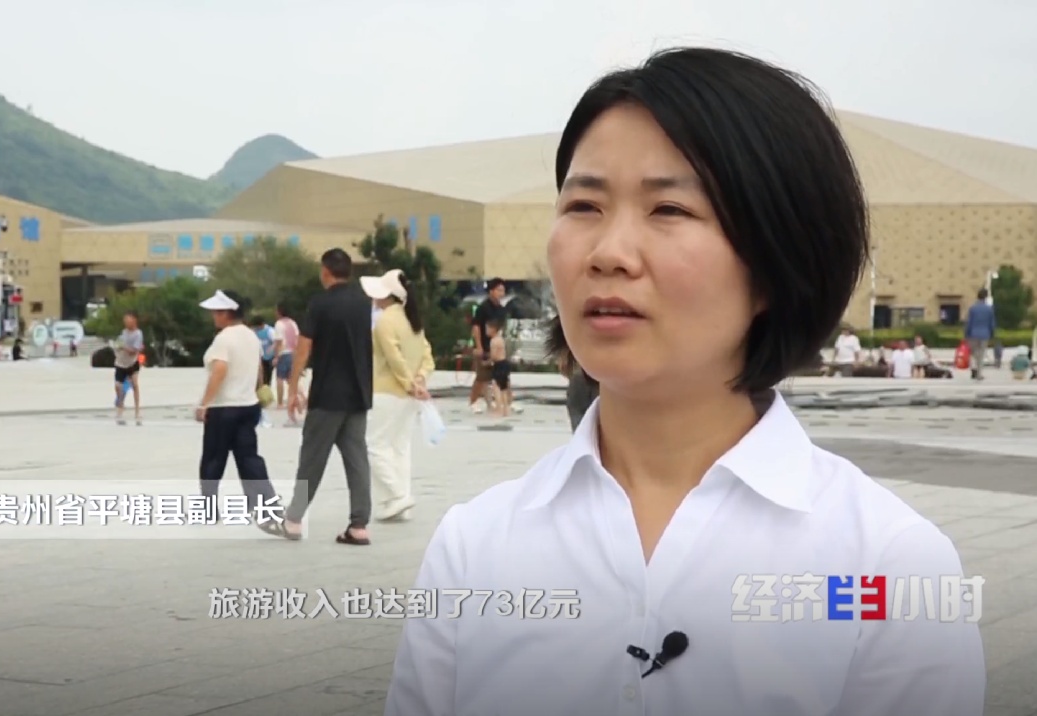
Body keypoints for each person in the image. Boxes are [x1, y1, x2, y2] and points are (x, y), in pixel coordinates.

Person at [385, 47, 984, 716]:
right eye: (583, 205)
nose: (608, 253)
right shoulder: (475, 546)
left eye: (668, 209)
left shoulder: (887, 567)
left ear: (776, 259)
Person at [283, 248, 374, 545]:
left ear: (325, 271)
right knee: (357, 459)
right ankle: (359, 525)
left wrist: (293, 387)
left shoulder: (320, 303)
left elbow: (303, 348)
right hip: (358, 394)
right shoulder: (364, 303)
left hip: (328, 395)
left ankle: (294, 519)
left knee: (312, 458)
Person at [195, 289, 287, 536]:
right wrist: (257, 389)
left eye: (216, 311)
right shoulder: (250, 336)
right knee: (249, 459)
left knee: (213, 459)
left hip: (223, 408)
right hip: (248, 406)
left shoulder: (224, 339)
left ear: (227, 313)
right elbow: (258, 369)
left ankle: (208, 509)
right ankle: (268, 509)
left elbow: (219, 370)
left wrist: (204, 403)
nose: (213, 316)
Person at [360, 268, 435, 523]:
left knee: (373, 445)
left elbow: (394, 359)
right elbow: (427, 356)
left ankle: (396, 495)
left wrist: (409, 384)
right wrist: (419, 380)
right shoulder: (412, 320)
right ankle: (401, 501)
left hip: (387, 391)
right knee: (400, 448)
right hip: (409, 397)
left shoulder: (385, 322)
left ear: (386, 295)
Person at [468, 278, 508, 413]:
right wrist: (478, 346)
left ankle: (501, 402)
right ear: (491, 291)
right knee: (482, 377)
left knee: (501, 377)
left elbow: (502, 328)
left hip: (496, 346)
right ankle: (473, 402)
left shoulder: (501, 309)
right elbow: (476, 327)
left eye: (503, 290)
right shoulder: (483, 308)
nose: (501, 293)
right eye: (499, 290)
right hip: (484, 345)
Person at [113, 312, 144, 425]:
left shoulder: (138, 334)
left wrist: (123, 347)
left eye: (128, 320)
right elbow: (117, 345)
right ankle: (121, 405)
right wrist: (118, 347)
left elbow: (134, 351)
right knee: (118, 386)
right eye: (125, 320)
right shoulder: (123, 333)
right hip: (120, 363)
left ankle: (137, 410)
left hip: (132, 363)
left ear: (134, 320)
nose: (126, 322)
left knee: (135, 385)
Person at [273, 302, 300, 422]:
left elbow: (279, 342)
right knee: (291, 378)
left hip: (283, 353)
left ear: (279, 311)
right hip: (293, 353)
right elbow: (297, 338)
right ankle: (300, 397)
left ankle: (280, 402)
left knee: (280, 378)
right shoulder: (293, 323)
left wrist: (276, 356)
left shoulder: (279, 324)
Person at [964, 288, 995, 380]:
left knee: (973, 353)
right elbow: (992, 323)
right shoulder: (989, 309)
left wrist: (966, 334)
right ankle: (979, 374)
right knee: (981, 354)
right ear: (985, 297)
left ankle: (974, 368)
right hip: (985, 334)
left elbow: (969, 322)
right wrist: (992, 334)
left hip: (973, 334)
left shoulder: (973, 308)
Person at [486, 319, 513, 416]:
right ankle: (506, 409)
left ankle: (499, 409)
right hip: (505, 363)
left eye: (487, 328)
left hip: (499, 364)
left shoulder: (493, 341)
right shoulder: (500, 339)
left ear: (493, 329)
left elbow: (494, 356)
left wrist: (487, 362)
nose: (486, 331)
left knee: (496, 387)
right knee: (504, 388)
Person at [248, 315, 278, 389]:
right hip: (259, 357)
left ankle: (266, 389)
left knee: (267, 376)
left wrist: (272, 350)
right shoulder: (254, 331)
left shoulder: (270, 331)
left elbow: (276, 342)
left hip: (268, 357)